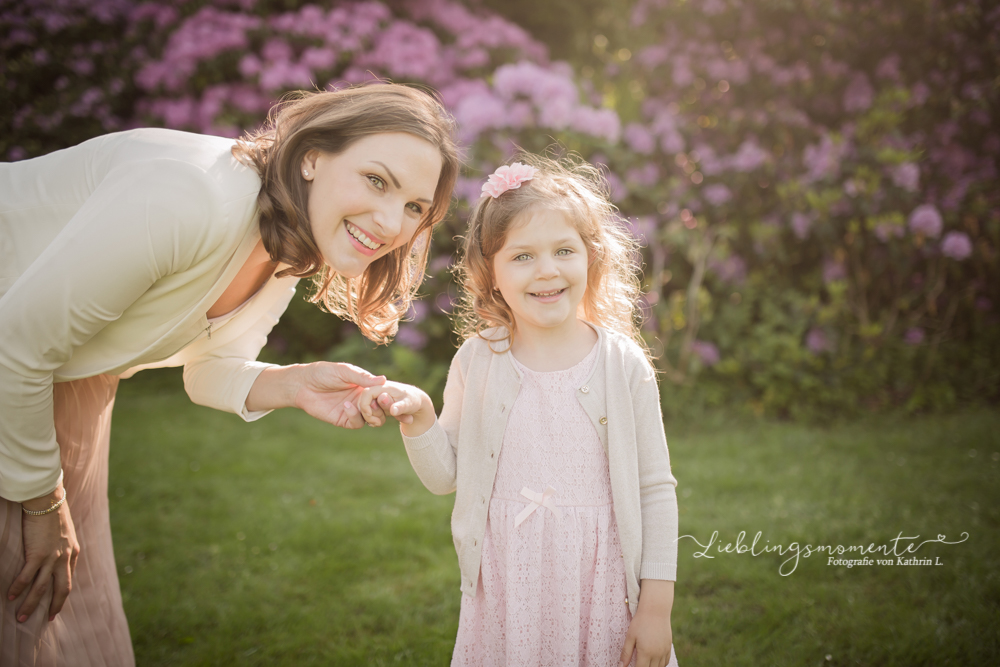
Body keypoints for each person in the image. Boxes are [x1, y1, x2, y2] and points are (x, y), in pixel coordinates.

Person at [0, 83, 459, 665]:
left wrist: (293, 385)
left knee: (59, 618)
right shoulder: (188, 197)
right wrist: (42, 506)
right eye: (377, 179)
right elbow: (13, 347)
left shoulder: (285, 235)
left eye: (416, 207)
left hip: (56, 387)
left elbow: (208, 369)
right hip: (15, 378)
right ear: (313, 156)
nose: (393, 222)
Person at [355, 156, 680, 667]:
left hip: (602, 584)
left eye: (564, 251)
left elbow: (655, 489)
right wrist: (419, 419)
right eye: (523, 256)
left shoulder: (622, 365)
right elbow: (447, 477)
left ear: (591, 259)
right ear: (491, 274)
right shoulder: (479, 361)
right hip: (510, 585)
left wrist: (657, 608)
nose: (547, 270)